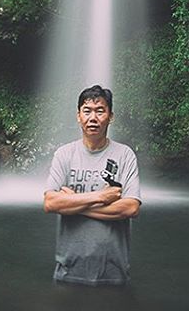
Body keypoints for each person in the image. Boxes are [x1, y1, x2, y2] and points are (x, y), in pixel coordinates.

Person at [43, 84, 142, 287]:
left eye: (100, 111)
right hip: (68, 270)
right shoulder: (64, 154)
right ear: (78, 116)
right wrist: (100, 197)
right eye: (87, 111)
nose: (93, 118)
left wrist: (72, 204)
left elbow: (131, 207)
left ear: (110, 116)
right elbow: (50, 203)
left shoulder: (124, 155)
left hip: (113, 271)